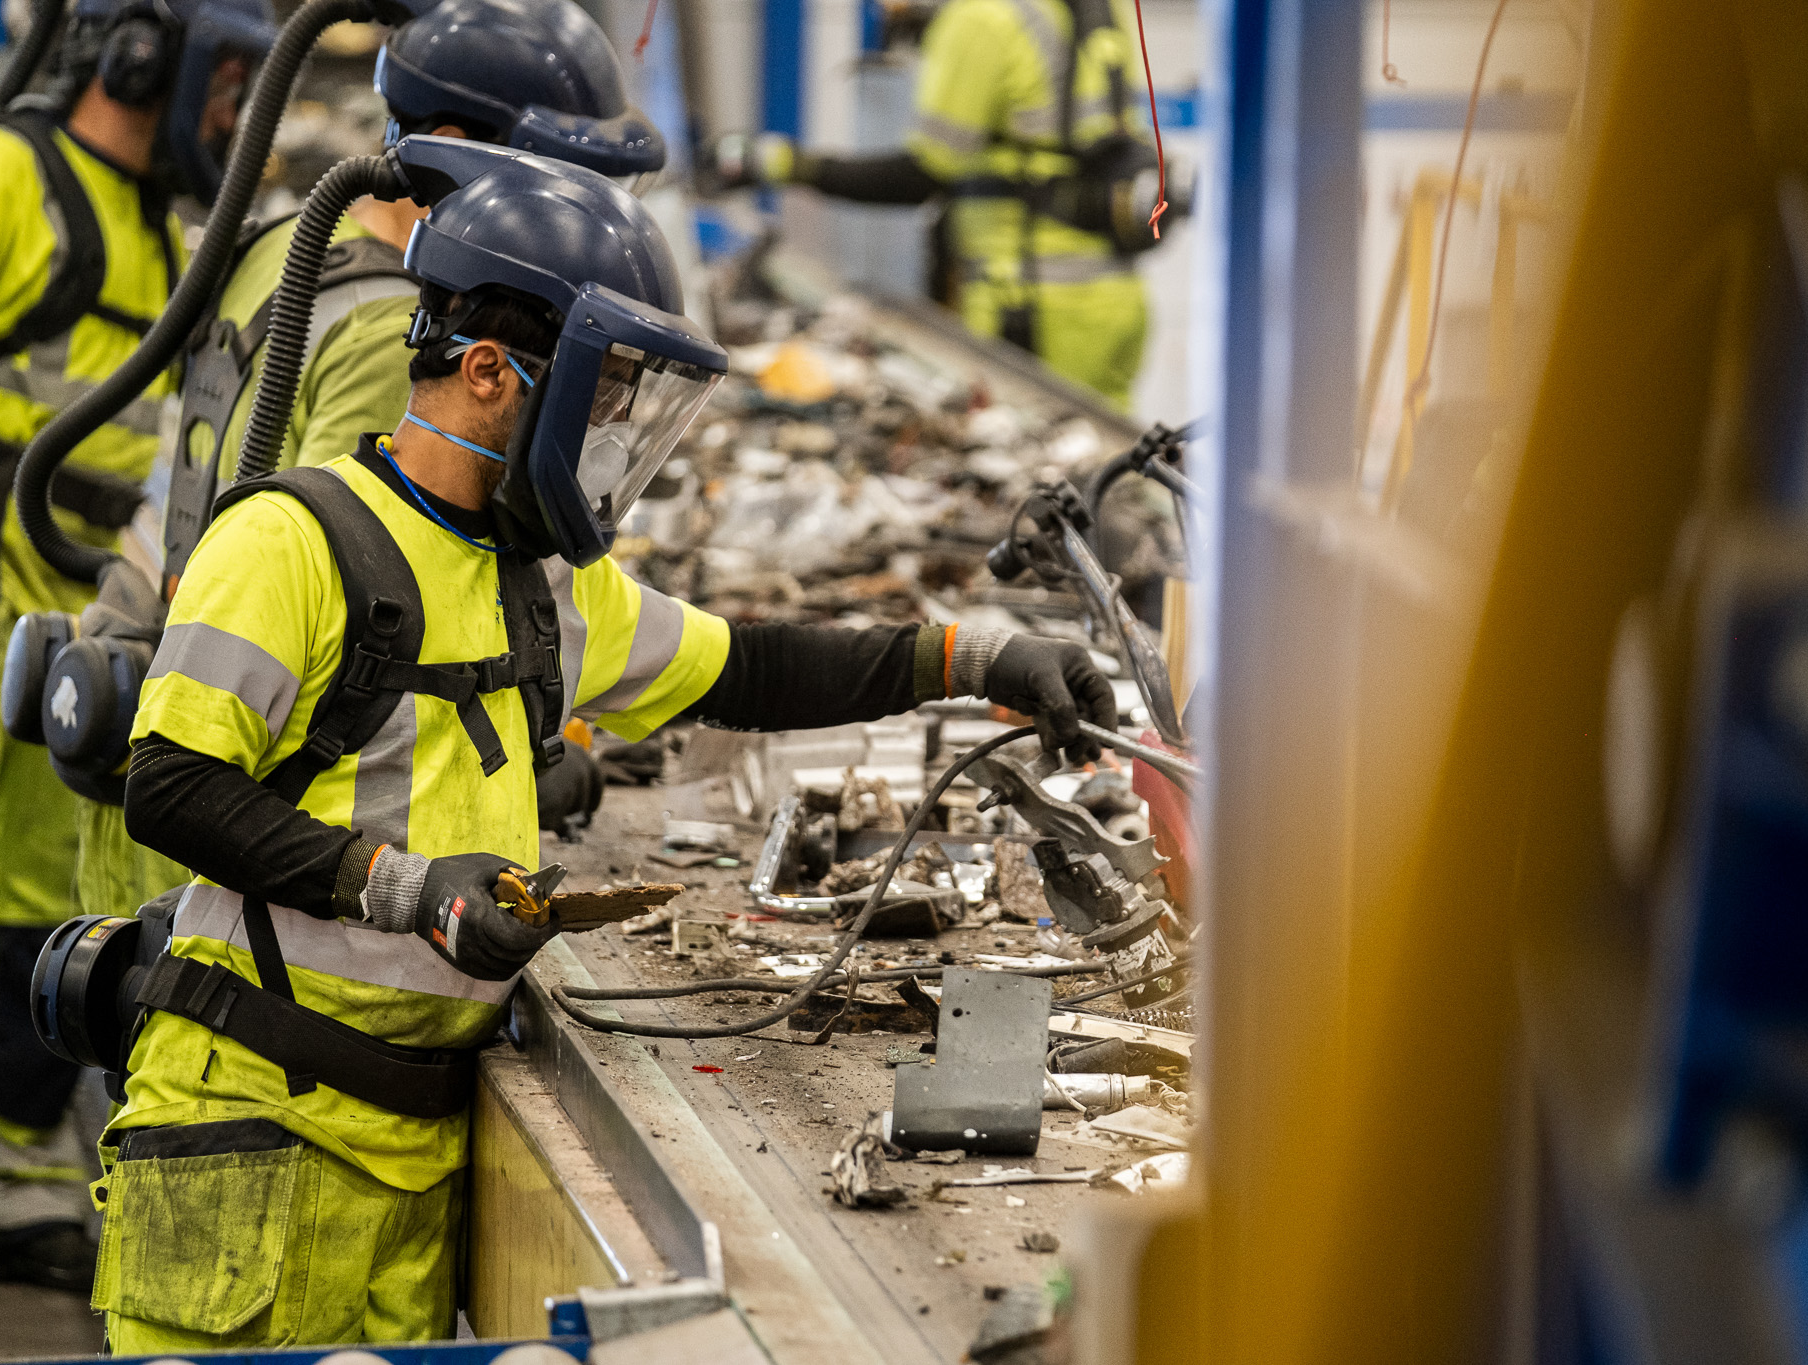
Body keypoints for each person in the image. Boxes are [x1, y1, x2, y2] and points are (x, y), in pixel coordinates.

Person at [94, 151, 1116, 1349]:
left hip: (414, 1154)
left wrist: (972, 659)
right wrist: (403, 888)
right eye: (602, 396)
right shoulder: (289, 545)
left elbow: (746, 668)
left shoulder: (545, 590)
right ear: (488, 372)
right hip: (251, 1129)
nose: (612, 433)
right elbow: (165, 789)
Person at [75, 0, 663, 928]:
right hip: (228, 858)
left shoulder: (284, 250)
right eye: (566, 180)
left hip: (151, 738)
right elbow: (361, 616)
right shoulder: (387, 327)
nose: (576, 215)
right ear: (464, 147)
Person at [0, 0, 272, 1289]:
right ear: (146, 55)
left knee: (35, 895)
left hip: (67, 605)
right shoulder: (3, 180)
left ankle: (5, 1156)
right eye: (231, 78)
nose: (235, 112)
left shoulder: (164, 228)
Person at [716, 0, 1179, 410]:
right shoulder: (1097, 7)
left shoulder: (982, 18)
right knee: (1111, 484)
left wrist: (784, 165)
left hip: (1030, 306)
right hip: (1116, 300)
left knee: (1034, 481)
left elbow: (921, 175)